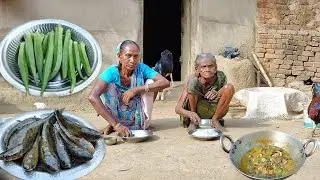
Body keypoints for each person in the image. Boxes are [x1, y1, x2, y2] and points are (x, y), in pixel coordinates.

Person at [88, 40, 170, 137]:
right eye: (128, 55)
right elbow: (93, 96)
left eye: (136, 56)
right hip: (116, 114)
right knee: (109, 86)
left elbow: (165, 82)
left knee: (151, 83)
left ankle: (143, 122)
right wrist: (116, 125)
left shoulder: (141, 68)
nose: (132, 60)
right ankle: (114, 123)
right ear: (119, 56)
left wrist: (136, 89)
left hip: (138, 115)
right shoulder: (111, 72)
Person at [175, 53, 235, 132]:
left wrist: (217, 93)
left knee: (229, 87)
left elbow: (226, 93)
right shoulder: (192, 81)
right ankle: (194, 121)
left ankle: (215, 120)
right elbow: (178, 109)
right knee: (192, 82)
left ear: (216, 67)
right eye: (203, 67)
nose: (207, 69)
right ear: (197, 69)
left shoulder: (221, 77)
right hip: (197, 112)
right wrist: (191, 114)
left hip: (214, 111)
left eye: (211, 66)